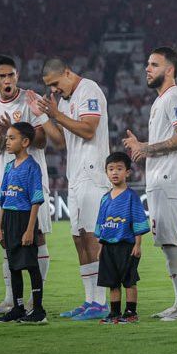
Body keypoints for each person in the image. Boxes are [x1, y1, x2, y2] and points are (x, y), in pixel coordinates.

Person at [36, 58, 111, 320]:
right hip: (76, 176)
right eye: (49, 87)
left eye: (55, 83)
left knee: (92, 237)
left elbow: (89, 130)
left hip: (94, 174)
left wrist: (57, 114)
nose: (54, 90)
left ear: (67, 73)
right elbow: (59, 142)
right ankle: (89, 300)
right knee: (79, 239)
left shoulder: (88, 90)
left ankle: (102, 302)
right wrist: (43, 115)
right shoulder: (65, 101)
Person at [122, 47, 177, 322]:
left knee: (172, 243)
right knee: (166, 243)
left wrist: (146, 147)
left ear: (170, 69)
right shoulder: (161, 100)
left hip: (169, 181)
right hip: (159, 181)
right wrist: (143, 149)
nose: (147, 69)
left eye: (154, 64)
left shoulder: (174, 97)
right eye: (147, 64)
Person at [0, 55, 52, 315]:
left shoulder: (29, 99)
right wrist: (3, 135)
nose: (7, 80)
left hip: (33, 175)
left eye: (11, 74)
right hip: (9, 176)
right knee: (10, 239)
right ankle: (12, 300)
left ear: (17, 76)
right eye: (1, 76)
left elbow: (42, 141)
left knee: (38, 235)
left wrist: (12, 129)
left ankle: (36, 299)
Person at [0, 123, 48, 324]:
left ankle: (39, 310)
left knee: (31, 265)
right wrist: (0, 227)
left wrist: (30, 229)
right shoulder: (8, 166)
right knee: (13, 266)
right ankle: (17, 307)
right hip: (9, 220)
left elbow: (36, 200)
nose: (7, 141)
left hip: (25, 218)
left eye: (12, 137)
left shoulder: (33, 167)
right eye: (7, 137)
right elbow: (3, 198)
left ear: (25, 142)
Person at [95, 152, 149, 325]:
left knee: (129, 281)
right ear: (106, 172)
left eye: (119, 168)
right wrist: (101, 247)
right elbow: (101, 223)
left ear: (127, 172)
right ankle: (114, 313)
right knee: (112, 282)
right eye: (111, 169)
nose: (115, 172)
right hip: (108, 247)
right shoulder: (105, 198)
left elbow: (138, 220)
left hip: (127, 245)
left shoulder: (132, 197)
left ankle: (131, 313)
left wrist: (138, 244)